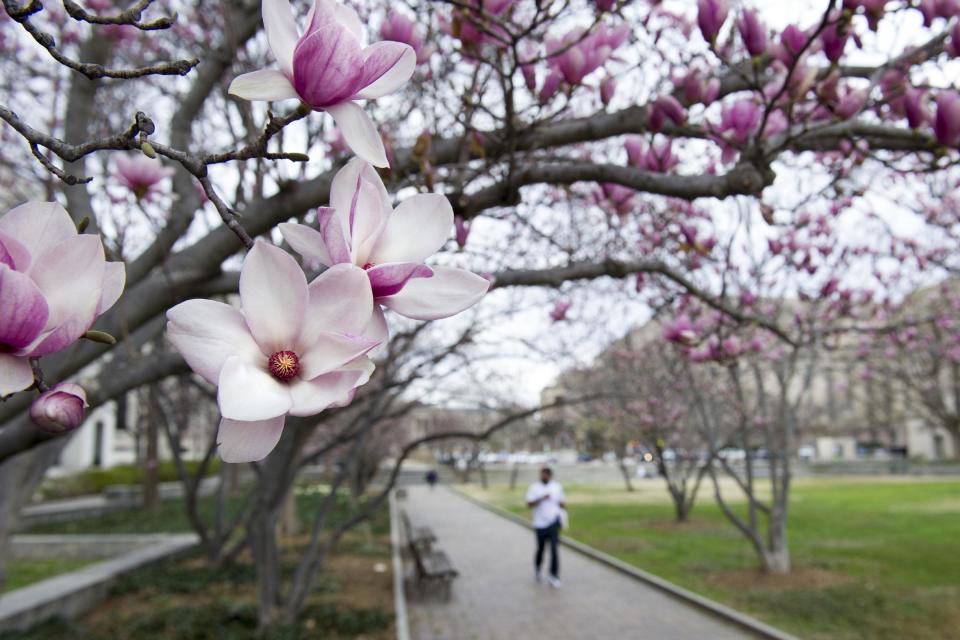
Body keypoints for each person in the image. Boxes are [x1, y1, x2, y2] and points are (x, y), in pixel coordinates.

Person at [525, 467, 565, 588]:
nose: (543, 477)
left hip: (553, 523)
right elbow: (529, 504)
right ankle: (538, 568)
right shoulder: (534, 488)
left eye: (546, 475)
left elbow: (561, 502)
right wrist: (542, 498)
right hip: (539, 524)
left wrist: (562, 514)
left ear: (550, 476)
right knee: (541, 549)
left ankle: (554, 576)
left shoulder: (556, 487)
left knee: (554, 550)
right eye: (542, 475)